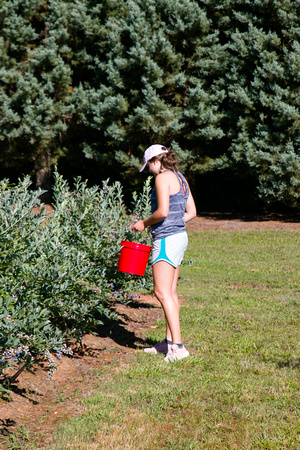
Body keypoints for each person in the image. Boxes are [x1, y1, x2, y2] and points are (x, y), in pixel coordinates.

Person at [132, 144, 197, 362]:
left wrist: (143, 223)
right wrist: (174, 225)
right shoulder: (180, 177)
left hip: (167, 240)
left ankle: (177, 348)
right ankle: (168, 343)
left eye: (148, 166)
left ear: (154, 162)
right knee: (171, 291)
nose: (149, 171)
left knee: (161, 292)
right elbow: (192, 212)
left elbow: (162, 212)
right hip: (179, 238)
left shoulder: (161, 178)